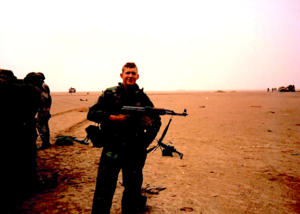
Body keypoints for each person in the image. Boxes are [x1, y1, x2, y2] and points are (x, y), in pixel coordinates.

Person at [87, 62, 161, 214]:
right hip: (112, 148)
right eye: (127, 73)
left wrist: (149, 124)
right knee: (104, 188)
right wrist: (114, 118)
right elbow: (92, 113)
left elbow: (156, 120)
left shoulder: (142, 97)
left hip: (134, 151)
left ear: (137, 76)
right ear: (122, 76)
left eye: (133, 73)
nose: (130, 76)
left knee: (132, 190)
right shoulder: (110, 93)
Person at [0, 69, 42, 212]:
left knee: (17, 161)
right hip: (24, 130)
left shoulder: (15, 90)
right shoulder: (33, 91)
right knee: (25, 160)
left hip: (16, 131)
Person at [24, 72, 52, 150]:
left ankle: (45, 143)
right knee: (42, 125)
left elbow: (44, 98)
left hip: (43, 110)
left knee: (42, 126)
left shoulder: (43, 87)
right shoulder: (43, 86)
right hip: (44, 109)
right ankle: (45, 142)